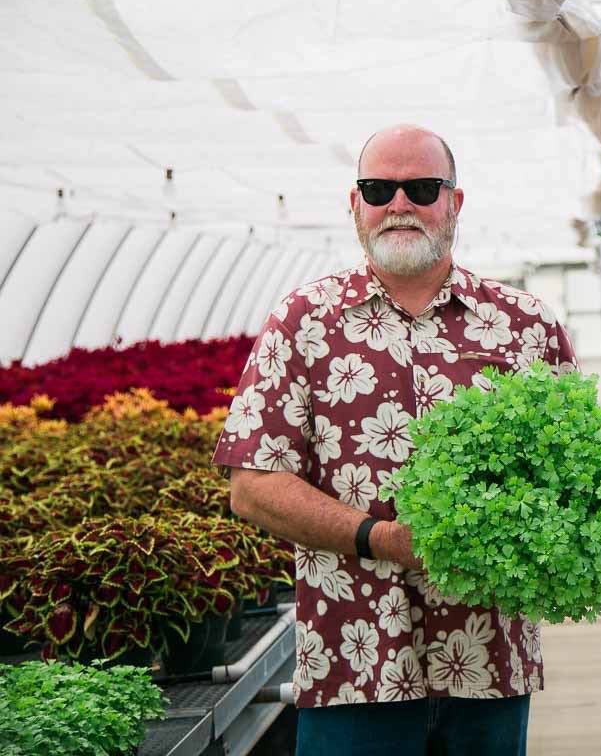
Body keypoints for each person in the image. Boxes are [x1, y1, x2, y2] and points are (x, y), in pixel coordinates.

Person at [213, 124, 577, 756]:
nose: (399, 204)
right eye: (378, 188)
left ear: (455, 202)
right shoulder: (305, 323)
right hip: (355, 660)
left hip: (488, 658)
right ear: (353, 203)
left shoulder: (524, 326)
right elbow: (252, 484)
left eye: (421, 187)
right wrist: (379, 539)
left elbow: (575, 475)